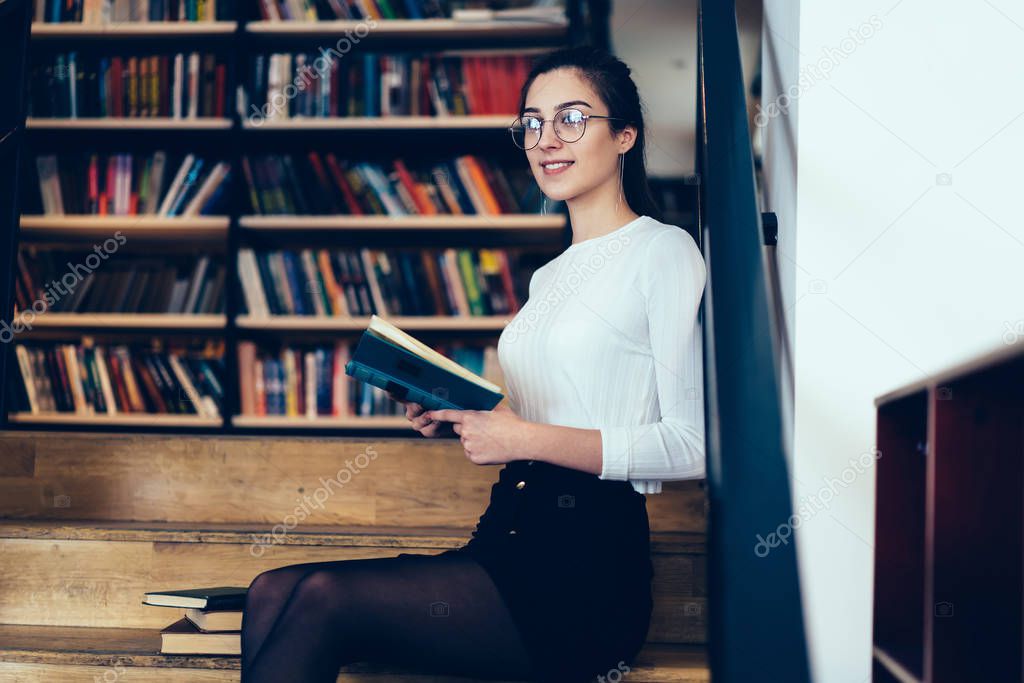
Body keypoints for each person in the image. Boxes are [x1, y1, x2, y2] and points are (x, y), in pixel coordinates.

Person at [240, 44, 707, 683]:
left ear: (625, 134)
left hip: (586, 569)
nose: (546, 139)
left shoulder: (664, 250)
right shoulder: (549, 277)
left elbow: (690, 446)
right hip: (509, 534)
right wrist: (460, 411)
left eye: (571, 118)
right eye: (532, 123)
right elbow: (546, 418)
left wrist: (520, 436)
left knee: (321, 599)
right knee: (270, 588)